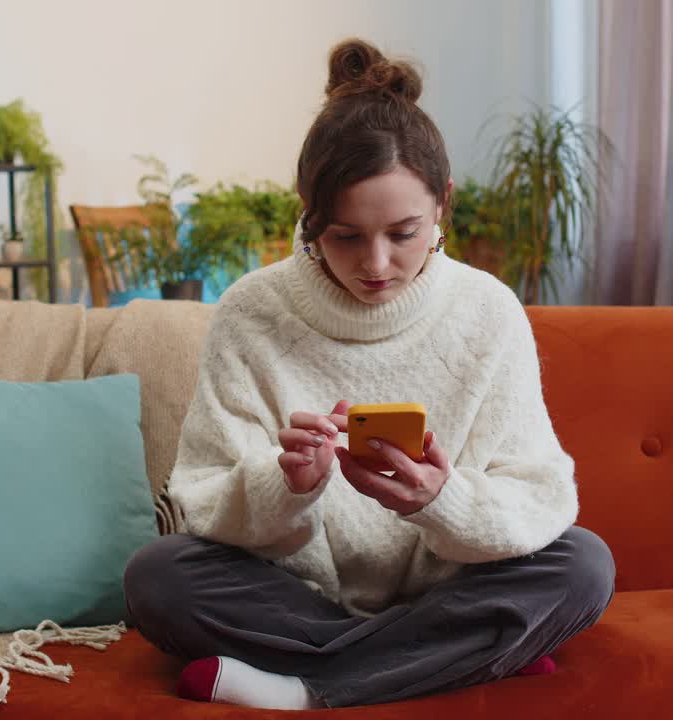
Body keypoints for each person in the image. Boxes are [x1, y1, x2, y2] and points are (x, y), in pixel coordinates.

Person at [123, 37, 614, 710]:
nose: (375, 264)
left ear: (443, 202)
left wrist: (444, 500)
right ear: (307, 208)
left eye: (403, 233)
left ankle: (306, 687)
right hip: (296, 597)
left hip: (445, 588)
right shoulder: (250, 312)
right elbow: (202, 498)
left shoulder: (488, 312)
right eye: (346, 235)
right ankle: (461, 655)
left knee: (584, 566)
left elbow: (539, 498)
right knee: (158, 577)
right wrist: (283, 485)